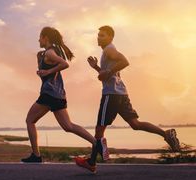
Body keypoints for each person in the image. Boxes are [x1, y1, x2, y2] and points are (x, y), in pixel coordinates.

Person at [74, 25, 181, 173]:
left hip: (111, 95)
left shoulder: (109, 49)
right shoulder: (108, 51)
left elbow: (124, 61)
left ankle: (92, 162)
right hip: (121, 94)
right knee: (135, 124)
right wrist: (97, 68)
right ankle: (166, 134)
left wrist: (107, 72)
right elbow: (108, 76)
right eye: (98, 35)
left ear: (111, 37)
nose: (98, 37)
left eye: (102, 35)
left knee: (99, 131)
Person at [21, 27, 101, 172]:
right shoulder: (48, 53)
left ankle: (36, 155)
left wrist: (47, 70)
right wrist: (41, 66)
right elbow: (49, 72)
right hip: (58, 95)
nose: (38, 40)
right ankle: (96, 143)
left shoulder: (50, 52)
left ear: (45, 38)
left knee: (29, 120)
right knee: (68, 126)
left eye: (40, 37)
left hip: (49, 94)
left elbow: (65, 64)